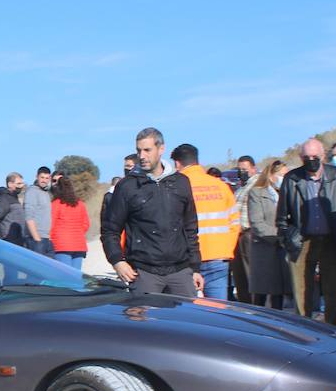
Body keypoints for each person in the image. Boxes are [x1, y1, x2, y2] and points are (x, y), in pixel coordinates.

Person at [101, 128, 202, 296]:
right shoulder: (127, 186)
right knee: (140, 314)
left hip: (181, 272)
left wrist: (195, 267)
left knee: (189, 313)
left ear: (161, 149)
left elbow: (190, 228)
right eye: (138, 150)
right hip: (144, 273)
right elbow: (110, 230)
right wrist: (117, 261)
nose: (142, 156)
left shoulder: (181, 182)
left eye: (147, 150)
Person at [277, 138, 336, 326]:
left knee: (333, 290)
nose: (311, 161)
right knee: (302, 292)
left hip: (332, 238)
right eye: (306, 157)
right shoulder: (292, 179)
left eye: (315, 157)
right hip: (302, 239)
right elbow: (282, 216)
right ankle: (304, 329)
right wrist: (287, 239)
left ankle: (332, 329)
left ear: (323, 156)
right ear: (301, 157)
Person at [172, 144, 239, 300]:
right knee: (217, 308)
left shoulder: (177, 187)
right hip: (218, 255)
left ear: (177, 163)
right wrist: (226, 248)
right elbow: (235, 222)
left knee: (189, 308)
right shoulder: (221, 186)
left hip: (187, 259)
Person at [245, 160, 290, 309]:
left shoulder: (285, 193)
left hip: (283, 250)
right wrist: (279, 235)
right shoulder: (257, 193)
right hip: (264, 248)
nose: (283, 179)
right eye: (281, 175)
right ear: (271, 175)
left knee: (279, 292)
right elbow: (257, 223)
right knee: (262, 292)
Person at [231, 155, 258, 303]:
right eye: (239, 169)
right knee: (239, 277)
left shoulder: (256, 186)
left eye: (245, 169)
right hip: (237, 235)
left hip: (249, 234)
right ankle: (244, 304)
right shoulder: (241, 187)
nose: (242, 172)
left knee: (250, 275)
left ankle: (254, 305)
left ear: (253, 169)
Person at [49, 175, 90, 269]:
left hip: (62, 244)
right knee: (75, 274)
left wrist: (50, 237)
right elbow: (86, 224)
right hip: (79, 244)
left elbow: (51, 224)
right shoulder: (80, 204)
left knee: (64, 274)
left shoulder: (56, 204)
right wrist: (77, 232)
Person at [23, 166, 55, 256]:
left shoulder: (45, 193)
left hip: (46, 239)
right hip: (36, 240)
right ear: (37, 177)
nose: (44, 180)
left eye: (47, 178)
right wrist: (37, 239)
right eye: (42, 177)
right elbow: (28, 216)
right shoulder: (32, 192)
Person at [0, 172, 27, 245]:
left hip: (18, 243)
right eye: (18, 184)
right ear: (10, 184)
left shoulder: (14, 198)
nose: (21, 186)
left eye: (22, 183)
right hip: (8, 243)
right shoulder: (4, 199)